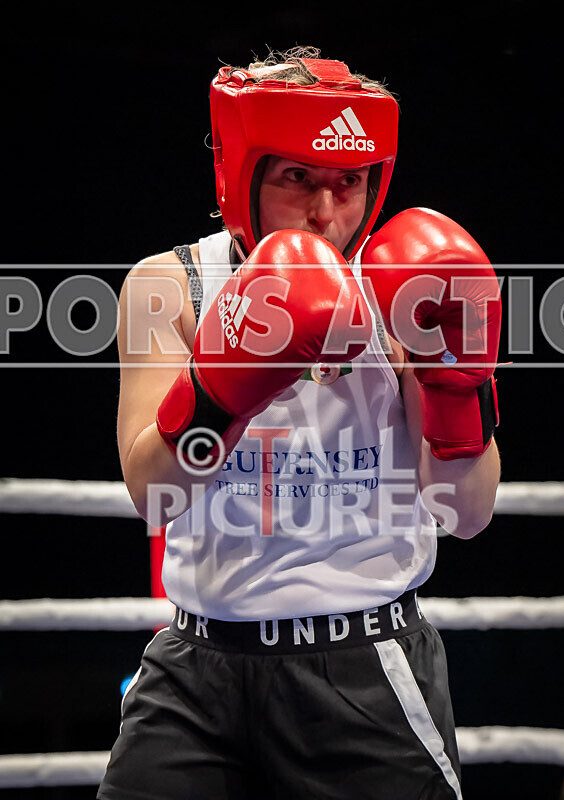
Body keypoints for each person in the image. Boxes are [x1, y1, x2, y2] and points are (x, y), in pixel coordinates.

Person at [98, 47, 502, 800]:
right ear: (241, 176)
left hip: (363, 669)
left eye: (349, 181)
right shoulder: (173, 286)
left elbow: (468, 514)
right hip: (194, 671)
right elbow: (154, 493)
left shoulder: (411, 289)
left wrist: (451, 376)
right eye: (297, 178)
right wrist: (230, 377)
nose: (326, 210)